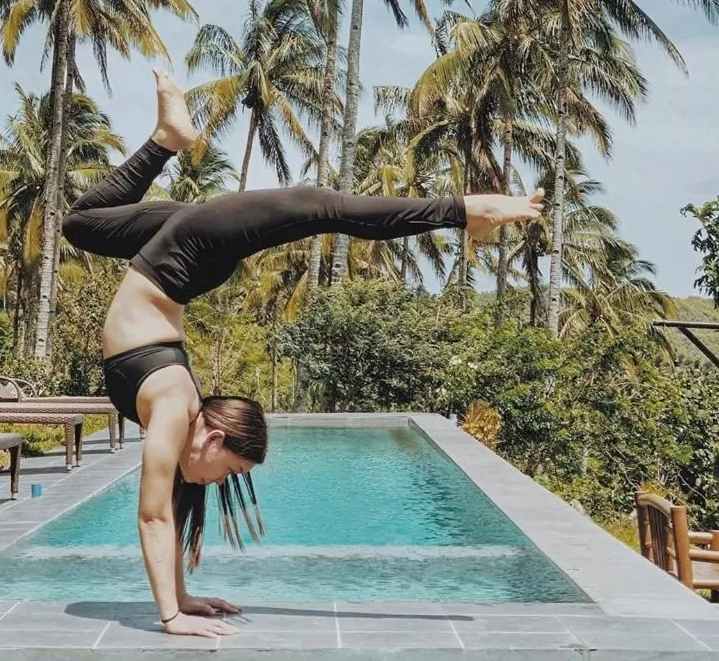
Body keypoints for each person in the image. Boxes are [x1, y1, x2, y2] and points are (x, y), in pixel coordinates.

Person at [62, 70, 544, 638]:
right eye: (230, 474)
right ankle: (466, 209)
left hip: (184, 251)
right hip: (187, 247)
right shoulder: (175, 408)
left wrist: (175, 608)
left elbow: (156, 513)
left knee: (318, 208)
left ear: (213, 438)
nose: (220, 483)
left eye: (228, 474)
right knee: (88, 223)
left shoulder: (171, 409)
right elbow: (162, 513)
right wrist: (175, 610)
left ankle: (170, 139)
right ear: (213, 437)